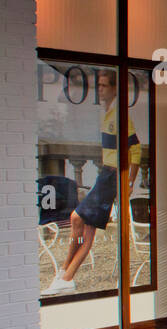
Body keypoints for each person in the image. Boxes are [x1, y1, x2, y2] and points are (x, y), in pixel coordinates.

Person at [43, 69, 141, 295]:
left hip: (111, 176)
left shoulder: (119, 115)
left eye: (105, 85)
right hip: (106, 174)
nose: (100, 89)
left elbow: (134, 149)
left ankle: (67, 276)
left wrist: (129, 181)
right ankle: (65, 273)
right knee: (84, 229)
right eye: (99, 85)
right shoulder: (107, 113)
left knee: (77, 219)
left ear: (115, 89)